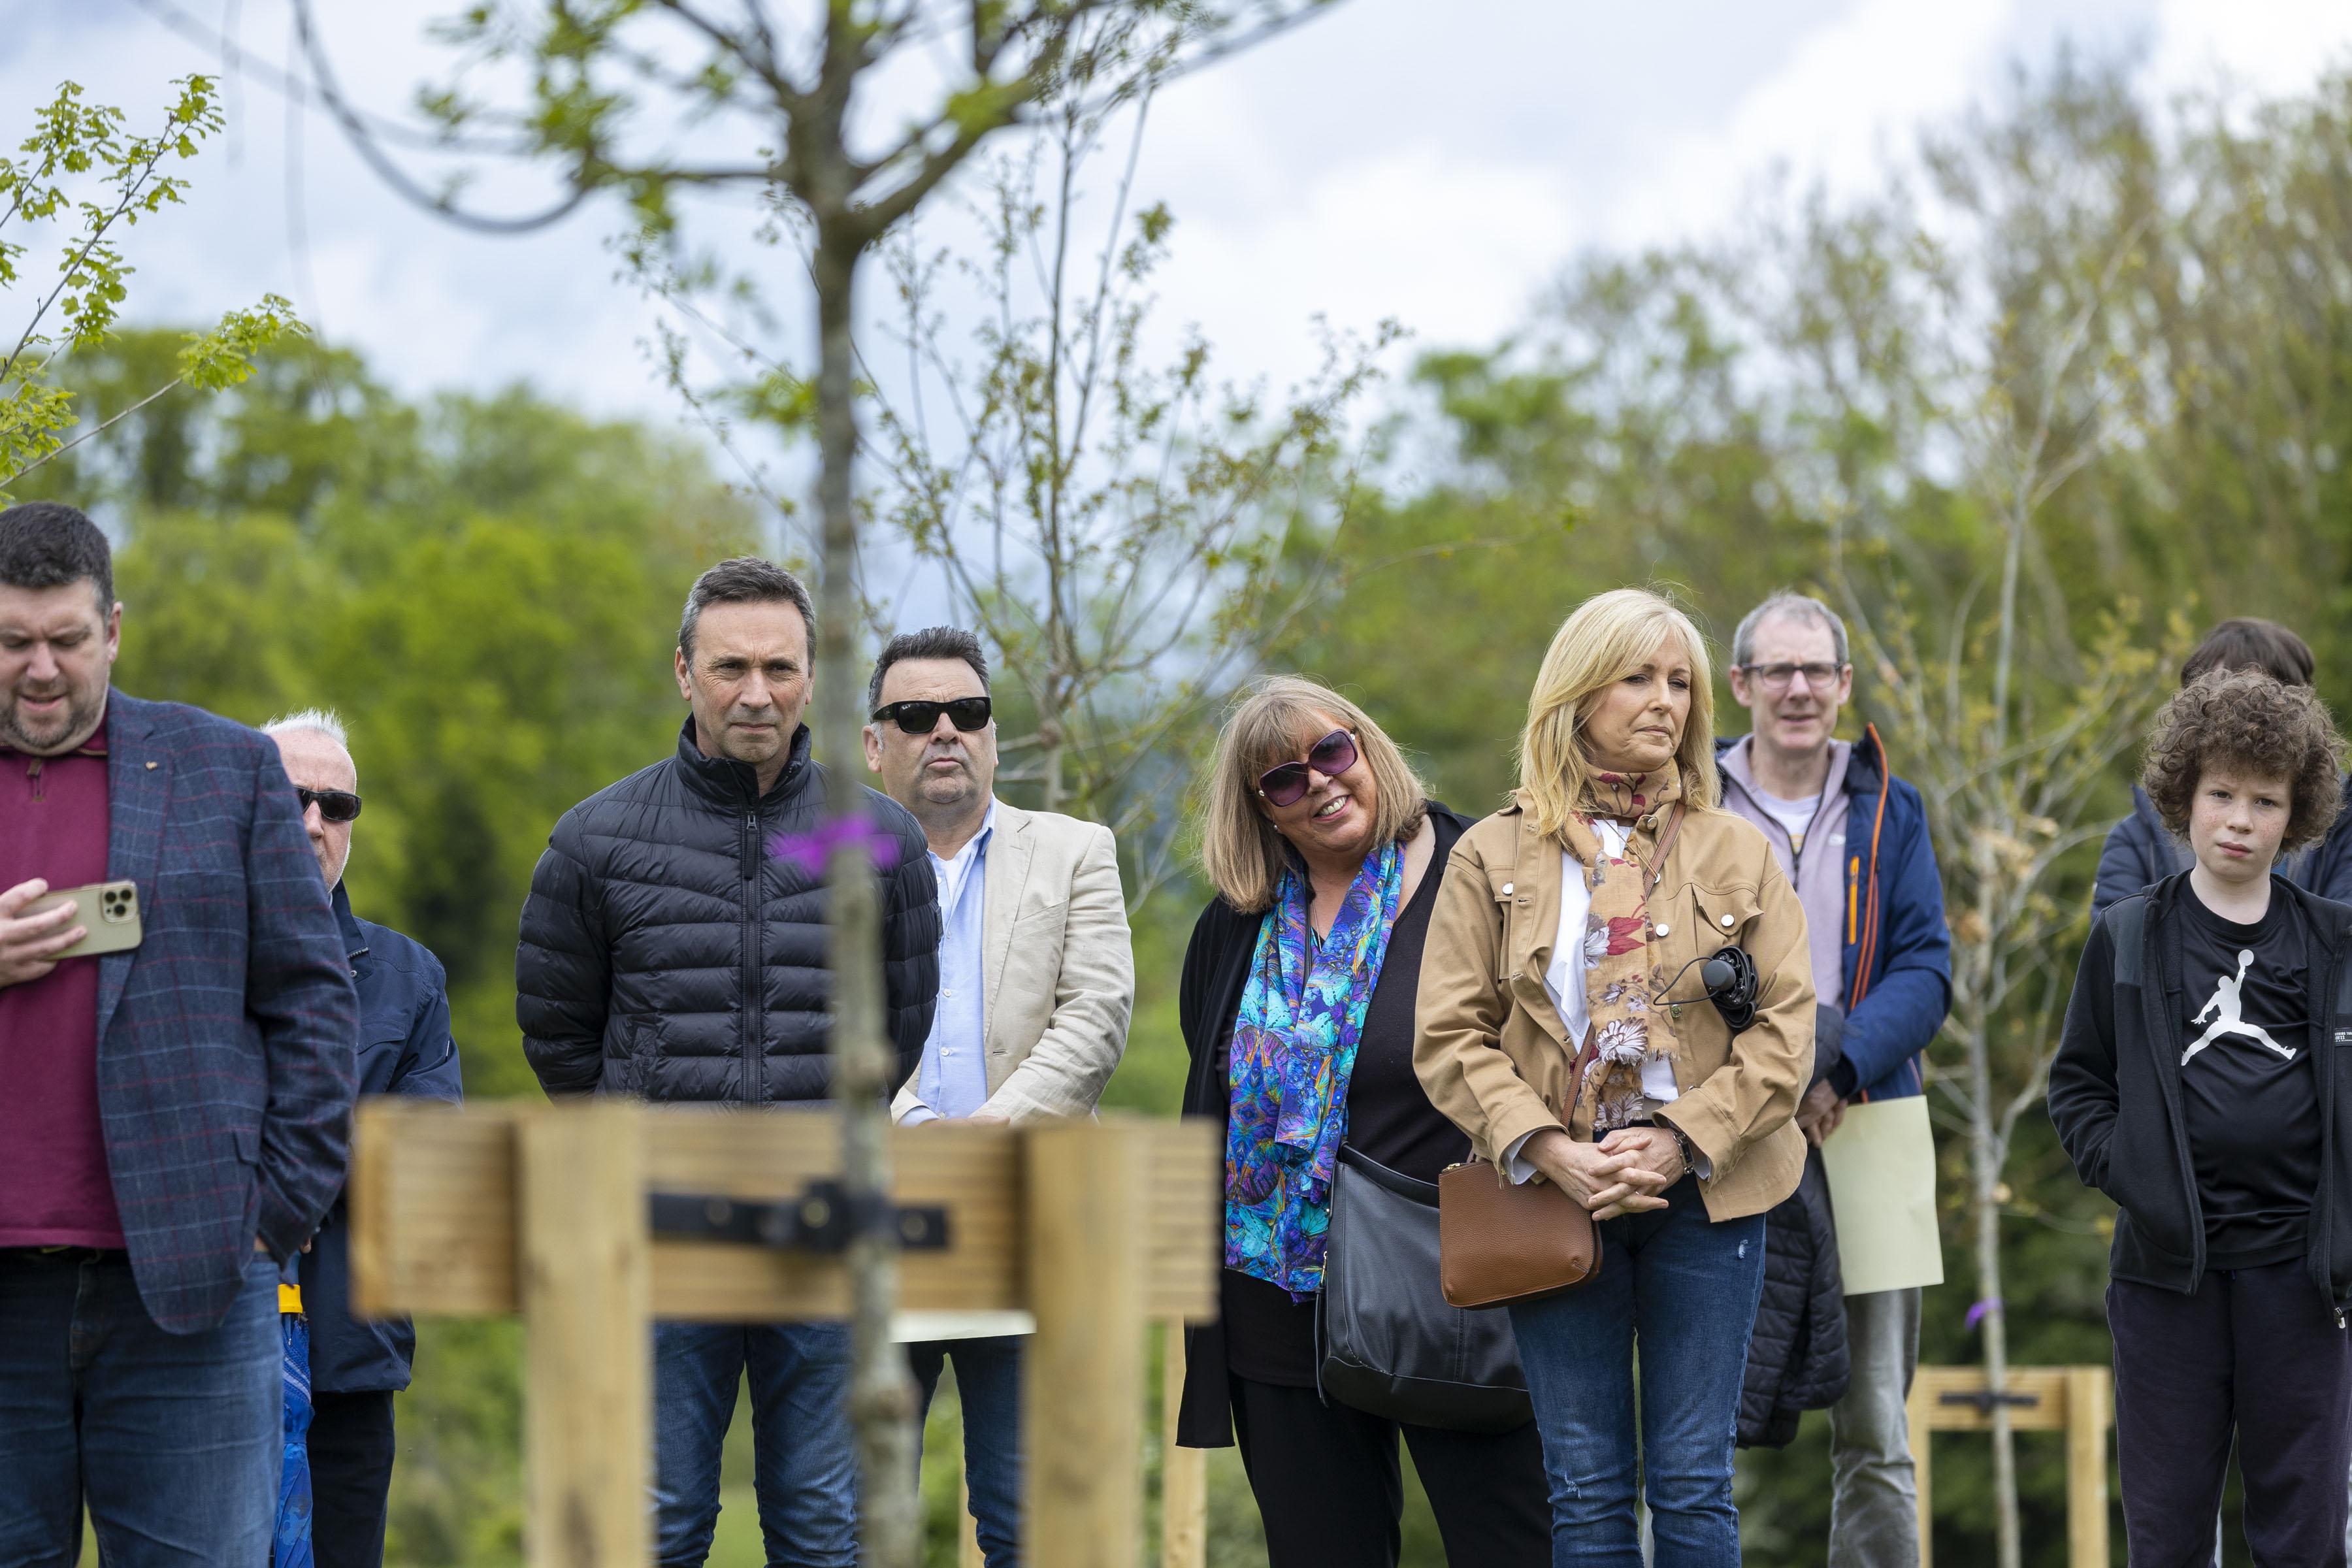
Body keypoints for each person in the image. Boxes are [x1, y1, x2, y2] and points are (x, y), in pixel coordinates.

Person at [516, 556, 941, 1568]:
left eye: (781, 669)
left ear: (812, 680)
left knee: (822, 1526)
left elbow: (903, 1026)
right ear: (684, 673)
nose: (758, 693)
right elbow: (560, 1038)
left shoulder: (877, 837)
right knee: (656, 1522)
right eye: (731, 667)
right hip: (659, 1237)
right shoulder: (596, 839)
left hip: (828, 1232)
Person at [1415, 587, 1816, 1567]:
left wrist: (1680, 1142)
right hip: (1555, 1197)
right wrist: (1552, 1150)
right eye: (1638, 677)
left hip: (1711, 1194)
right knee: (1586, 1492)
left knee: (1692, 1484)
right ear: (1578, 693)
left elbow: (1786, 1034)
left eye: (1680, 683)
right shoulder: (1491, 853)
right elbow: (1449, 1034)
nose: (1665, 702)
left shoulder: (1740, 851)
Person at [0, 500, 359, 1565]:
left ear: (113, 628)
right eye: (13, 642)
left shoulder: (224, 768)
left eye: (67, 640)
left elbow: (312, 998)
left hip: (191, 1297)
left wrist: (273, 1219)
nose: (42, 669)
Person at [1171, 676, 1550, 1568]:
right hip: (1279, 1305)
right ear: (1261, 810)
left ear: (1367, 747)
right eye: (1284, 780)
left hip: (1453, 1290)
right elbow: (1212, 1076)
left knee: (1522, 1551)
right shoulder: (1235, 928)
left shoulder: (1479, 873)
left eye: (1330, 753)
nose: (1320, 784)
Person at [2050, 667, 2352, 1566]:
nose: (2239, 819)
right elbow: (2079, 1086)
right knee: (2168, 1529)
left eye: (2265, 801)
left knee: (2305, 1530)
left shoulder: (2335, 940)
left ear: (2295, 814)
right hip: (2166, 1282)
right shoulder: (2131, 934)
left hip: (2304, 1282)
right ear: (2184, 795)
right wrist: (2135, 1171)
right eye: (2221, 793)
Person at [864, 626, 1134, 1567]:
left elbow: (1097, 1016)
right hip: (874, 1224)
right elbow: (819, 1025)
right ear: (874, 743)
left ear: (991, 731)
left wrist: (985, 1136)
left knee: (1030, 1520)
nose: (945, 730)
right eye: (915, 714)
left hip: (1031, 1218)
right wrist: (912, 1129)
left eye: (966, 712)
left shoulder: (1077, 850)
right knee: (859, 1522)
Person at [1717, 591, 1952, 1564]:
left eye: (1818, 671)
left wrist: (1839, 1069)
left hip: (1870, 1126)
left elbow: (1928, 966)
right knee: (1697, 1425)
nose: (1800, 689)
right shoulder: (1696, 803)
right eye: (1778, 671)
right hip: (1719, 1132)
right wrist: (1761, 1087)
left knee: (1877, 1432)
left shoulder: (1893, 806)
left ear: (1845, 685)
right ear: (1742, 687)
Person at [265, 710, 463, 1568]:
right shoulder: (177, 947)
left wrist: (281, 1175)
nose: (314, 822)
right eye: (291, 798)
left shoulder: (408, 978)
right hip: (190, 1355)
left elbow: (427, 1158)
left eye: (336, 805)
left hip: (348, 1350)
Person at [2093, 617, 2352, 913]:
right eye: (2213, 697)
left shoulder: (2341, 828)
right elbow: (2115, 951)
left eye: (2265, 699)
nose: (2238, 718)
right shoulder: (2136, 840)